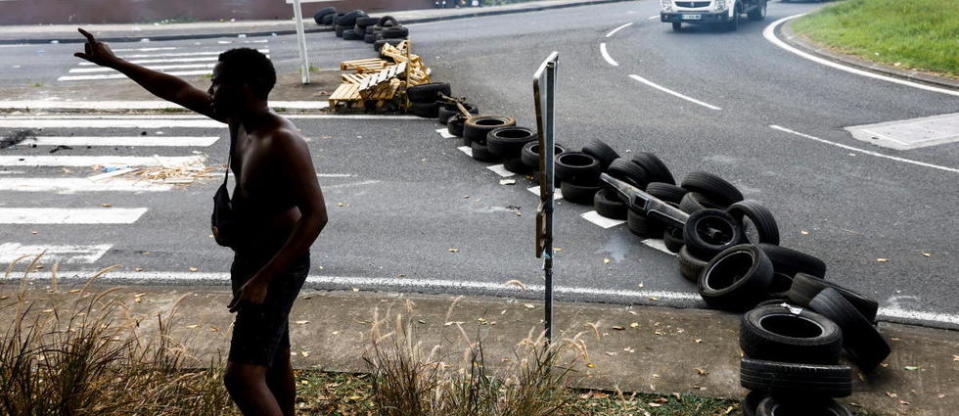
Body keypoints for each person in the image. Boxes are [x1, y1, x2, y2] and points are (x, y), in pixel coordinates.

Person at [74, 28, 328, 416]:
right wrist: (114, 62)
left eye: (217, 81)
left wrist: (263, 278)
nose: (209, 89)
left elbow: (316, 216)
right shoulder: (238, 120)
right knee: (273, 357)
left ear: (243, 86)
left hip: (276, 265)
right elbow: (176, 90)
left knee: (241, 377)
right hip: (251, 258)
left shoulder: (282, 140)